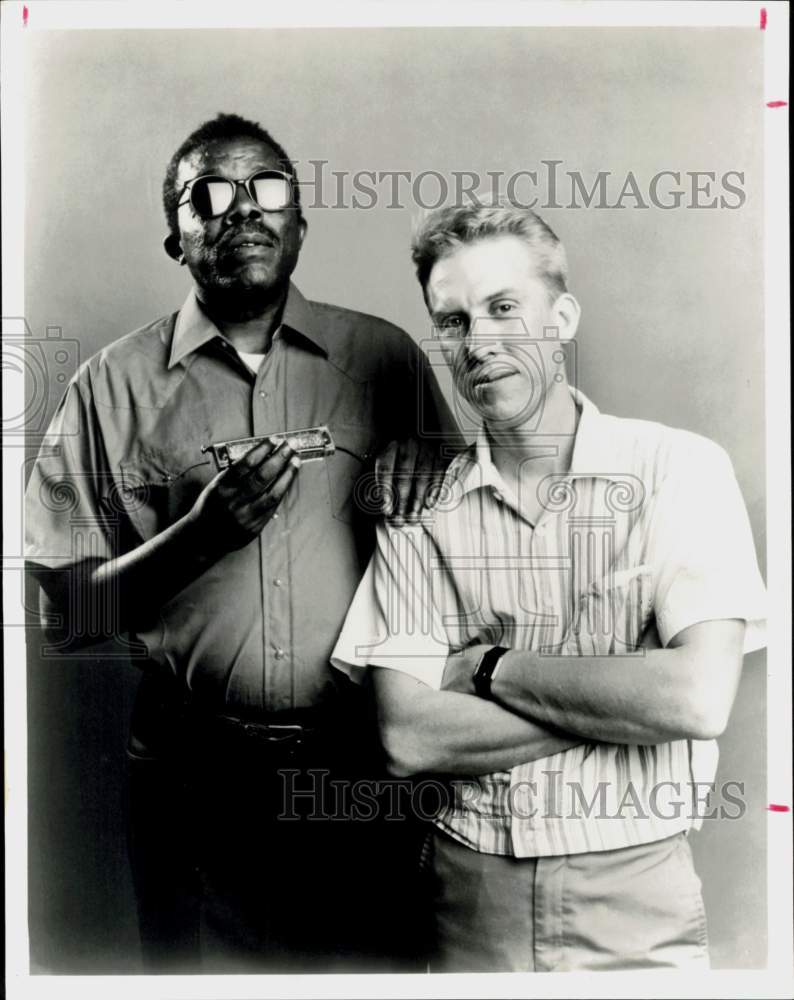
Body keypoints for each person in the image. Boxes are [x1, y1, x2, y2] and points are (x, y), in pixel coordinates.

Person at [24, 113, 458, 972]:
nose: (242, 211)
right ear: (174, 239)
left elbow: (467, 555)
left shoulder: (387, 360)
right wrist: (198, 537)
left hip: (363, 765)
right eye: (208, 195)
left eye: (268, 189)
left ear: (300, 222)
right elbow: (63, 619)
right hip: (192, 773)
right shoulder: (107, 387)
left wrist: (429, 475)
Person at [331, 201, 767, 972]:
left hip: (637, 892)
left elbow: (695, 700)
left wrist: (490, 669)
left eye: (505, 308)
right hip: (470, 894)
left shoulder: (677, 470)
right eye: (455, 321)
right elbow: (408, 737)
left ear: (561, 317)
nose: (482, 343)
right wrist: (624, 703)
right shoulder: (415, 509)